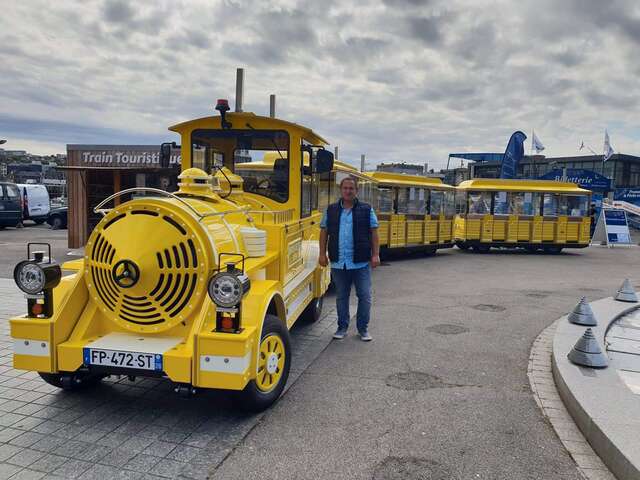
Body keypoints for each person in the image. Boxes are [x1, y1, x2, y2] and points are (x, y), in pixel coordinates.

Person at [319, 176, 380, 341]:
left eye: (351, 188)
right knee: (341, 296)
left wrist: (376, 254)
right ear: (341, 190)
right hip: (339, 261)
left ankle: (363, 329)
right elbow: (324, 231)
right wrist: (321, 253)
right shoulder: (331, 210)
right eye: (345, 188)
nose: (348, 191)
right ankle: (342, 327)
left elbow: (374, 232)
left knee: (365, 296)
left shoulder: (367, 209)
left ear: (356, 190)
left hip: (360, 262)